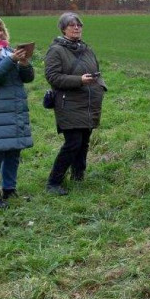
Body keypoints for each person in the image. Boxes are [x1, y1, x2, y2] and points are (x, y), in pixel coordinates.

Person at [44, 13, 107, 195]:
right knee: (72, 143)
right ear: (63, 29)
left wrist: (100, 86)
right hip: (68, 103)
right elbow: (53, 77)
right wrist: (79, 80)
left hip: (88, 103)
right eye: (72, 25)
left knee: (84, 142)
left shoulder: (86, 49)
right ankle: (53, 183)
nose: (76, 28)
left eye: (79, 25)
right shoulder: (56, 50)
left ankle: (78, 177)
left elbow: (96, 70)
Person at [0, 17, 34, 208]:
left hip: (15, 110)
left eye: (0, 29)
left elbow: (27, 79)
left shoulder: (9, 52)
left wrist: (25, 63)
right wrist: (11, 60)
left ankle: (10, 189)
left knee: (13, 151)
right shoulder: (8, 56)